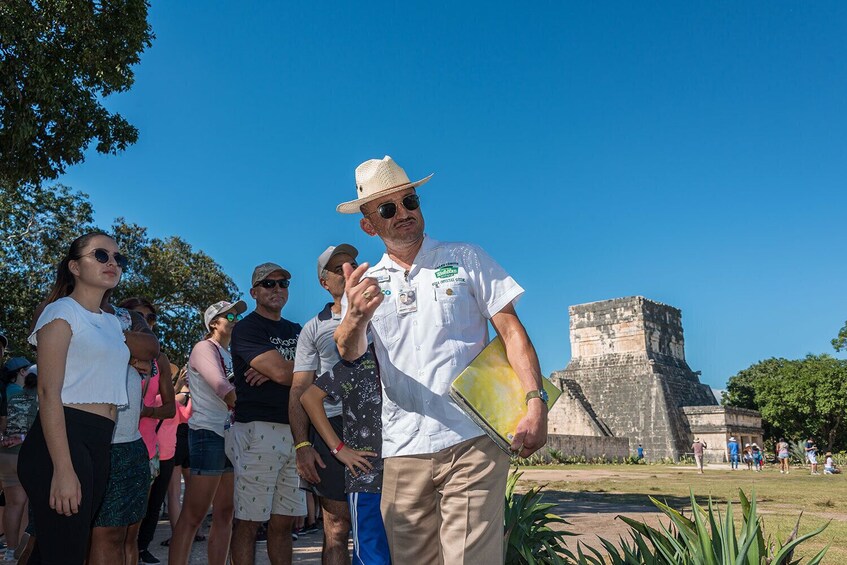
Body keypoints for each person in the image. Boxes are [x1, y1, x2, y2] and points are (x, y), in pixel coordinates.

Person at [334, 156, 547, 563]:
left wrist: (535, 401)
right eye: (387, 209)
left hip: (472, 440)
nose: (404, 213)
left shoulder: (465, 258)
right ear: (368, 224)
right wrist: (355, 317)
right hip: (401, 449)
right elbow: (348, 351)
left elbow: (512, 331)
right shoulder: (362, 287)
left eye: (410, 201)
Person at [20, 232, 131, 564]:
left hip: (99, 441)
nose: (112, 262)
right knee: (65, 554)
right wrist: (63, 468)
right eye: (100, 255)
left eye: (117, 258)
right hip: (63, 439)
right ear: (75, 267)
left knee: (59, 551)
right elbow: (47, 393)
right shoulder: (61, 312)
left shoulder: (112, 324)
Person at [227, 263, 306, 565]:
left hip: (295, 432)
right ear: (254, 292)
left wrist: (284, 371)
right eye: (269, 284)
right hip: (259, 431)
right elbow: (284, 373)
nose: (277, 289)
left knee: (284, 522)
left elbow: (303, 372)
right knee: (248, 522)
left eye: (283, 283)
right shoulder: (247, 328)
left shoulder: (296, 330)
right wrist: (284, 371)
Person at [290, 245, 359, 564]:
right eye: (337, 268)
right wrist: (303, 444)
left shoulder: (383, 310)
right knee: (337, 526)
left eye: (352, 264)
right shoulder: (313, 328)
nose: (347, 270)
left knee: (386, 524)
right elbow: (300, 388)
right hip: (331, 427)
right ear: (323, 282)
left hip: (384, 427)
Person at [168, 300, 245, 565]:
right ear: (214, 323)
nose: (237, 318)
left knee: (225, 513)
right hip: (207, 434)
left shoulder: (231, 353)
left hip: (229, 435)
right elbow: (222, 386)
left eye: (238, 314)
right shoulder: (204, 348)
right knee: (194, 515)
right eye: (231, 315)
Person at [88, 294, 162, 565]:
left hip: (131, 444)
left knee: (123, 536)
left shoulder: (127, 318)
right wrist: (126, 345)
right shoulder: (67, 309)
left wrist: (118, 342)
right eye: (100, 255)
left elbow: (149, 349)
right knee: (76, 535)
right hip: (89, 440)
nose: (111, 263)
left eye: (149, 318)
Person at [301, 352, 389, 565]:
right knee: (372, 557)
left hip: (408, 472)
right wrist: (338, 448)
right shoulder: (359, 360)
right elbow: (309, 397)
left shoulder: (410, 355)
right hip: (368, 478)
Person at [0, 361, 37, 561]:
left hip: (5, 456)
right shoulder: (28, 395)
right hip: (25, 454)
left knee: (13, 505)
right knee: (27, 506)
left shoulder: (4, 392)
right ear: (22, 372)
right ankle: (24, 553)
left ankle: (10, 552)